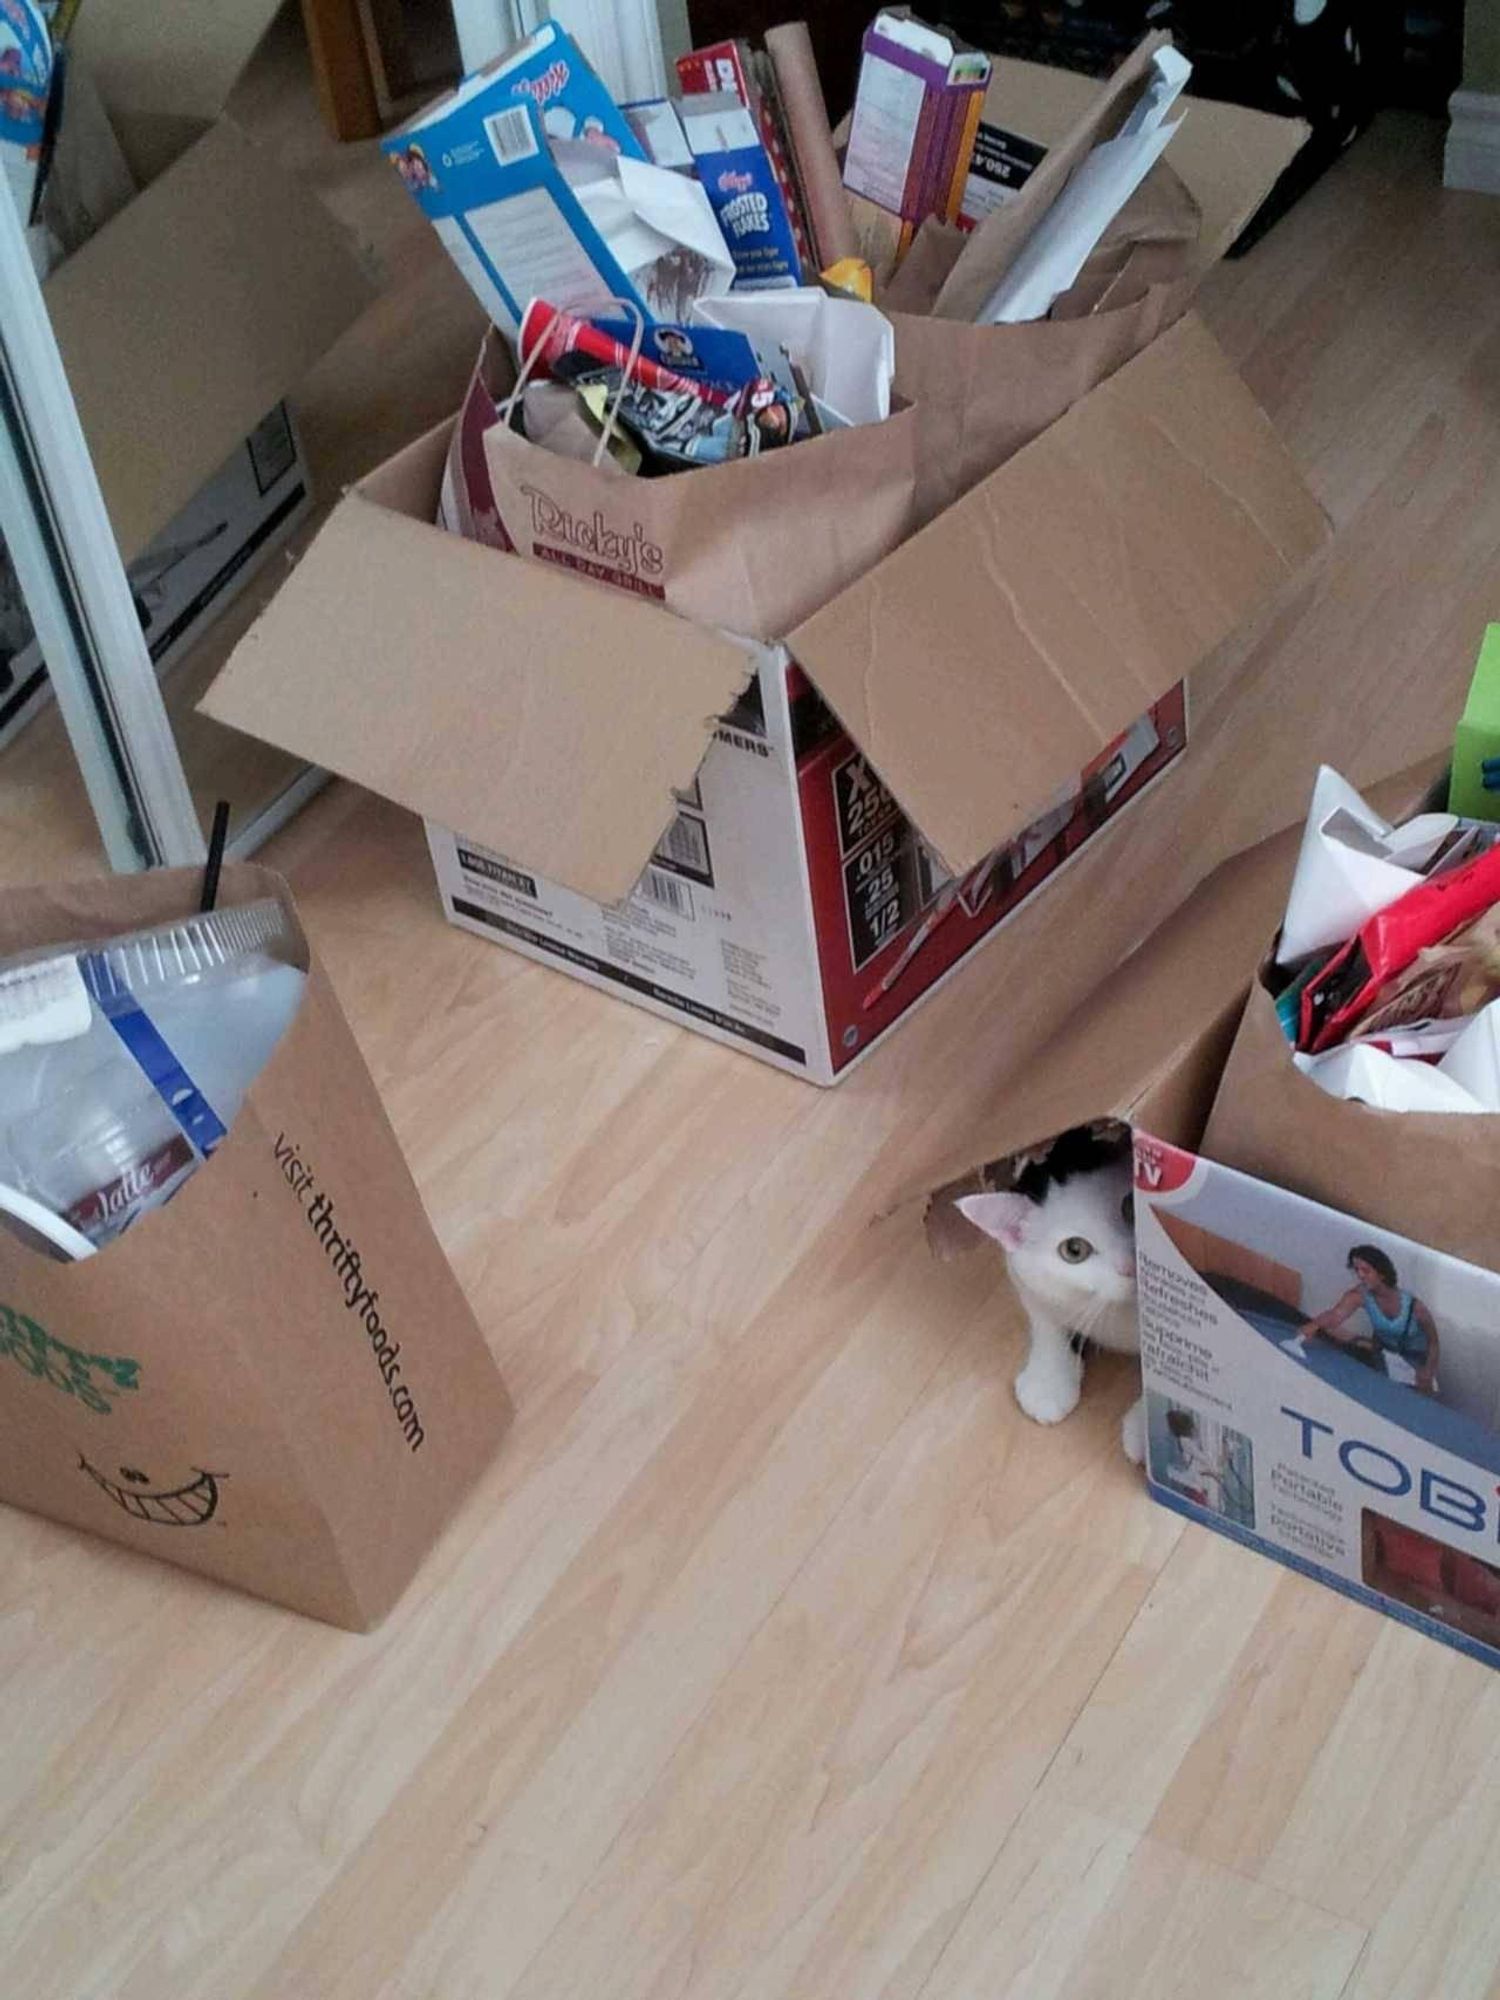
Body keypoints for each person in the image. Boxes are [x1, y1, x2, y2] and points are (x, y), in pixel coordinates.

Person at [1283, 1245, 1440, 1393]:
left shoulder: (1414, 1307)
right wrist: (1313, 1325)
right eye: (1357, 1270)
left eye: (1366, 1271)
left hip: (1414, 1362)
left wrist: (1428, 1370)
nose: (1360, 1276)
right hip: (1384, 1356)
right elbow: (1336, 1315)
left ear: (1381, 1273)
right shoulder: (1360, 1295)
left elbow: (1433, 1342)